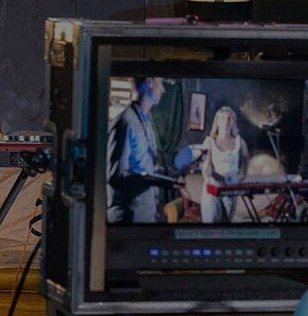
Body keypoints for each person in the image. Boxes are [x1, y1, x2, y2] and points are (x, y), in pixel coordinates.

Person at [106, 77, 170, 223]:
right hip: (129, 217)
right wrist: (154, 181)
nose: (163, 90)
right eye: (161, 84)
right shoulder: (125, 122)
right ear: (149, 82)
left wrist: (165, 173)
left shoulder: (146, 121)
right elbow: (115, 176)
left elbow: (143, 165)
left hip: (146, 214)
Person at [185, 106, 247, 223]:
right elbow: (206, 164)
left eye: (230, 119)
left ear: (234, 122)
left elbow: (245, 158)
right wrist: (208, 178)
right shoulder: (210, 141)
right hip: (214, 184)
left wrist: (242, 174)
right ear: (217, 122)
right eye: (223, 118)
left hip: (232, 186)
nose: (227, 122)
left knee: (227, 222)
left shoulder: (239, 141)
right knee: (211, 221)